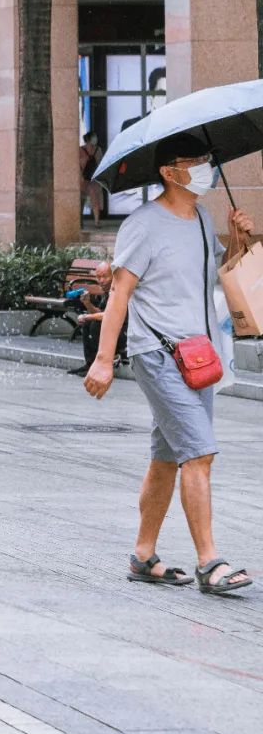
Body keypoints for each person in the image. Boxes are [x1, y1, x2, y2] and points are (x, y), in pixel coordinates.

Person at [84, 133, 254, 596]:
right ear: (168, 172)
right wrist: (103, 361)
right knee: (198, 452)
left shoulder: (201, 218)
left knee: (166, 459)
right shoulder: (143, 224)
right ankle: (209, 562)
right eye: (194, 161)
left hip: (199, 356)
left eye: (206, 158)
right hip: (157, 353)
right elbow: (120, 293)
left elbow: (215, 273)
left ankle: (143, 555)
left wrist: (239, 241)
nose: (204, 167)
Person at [80, 130, 104, 224]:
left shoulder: (98, 150)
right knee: (81, 200)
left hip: (94, 179)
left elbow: (101, 164)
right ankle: (79, 221)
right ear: (89, 139)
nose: (96, 139)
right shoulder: (80, 150)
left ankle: (97, 222)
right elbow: (77, 165)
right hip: (83, 178)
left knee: (95, 199)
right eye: (94, 137)